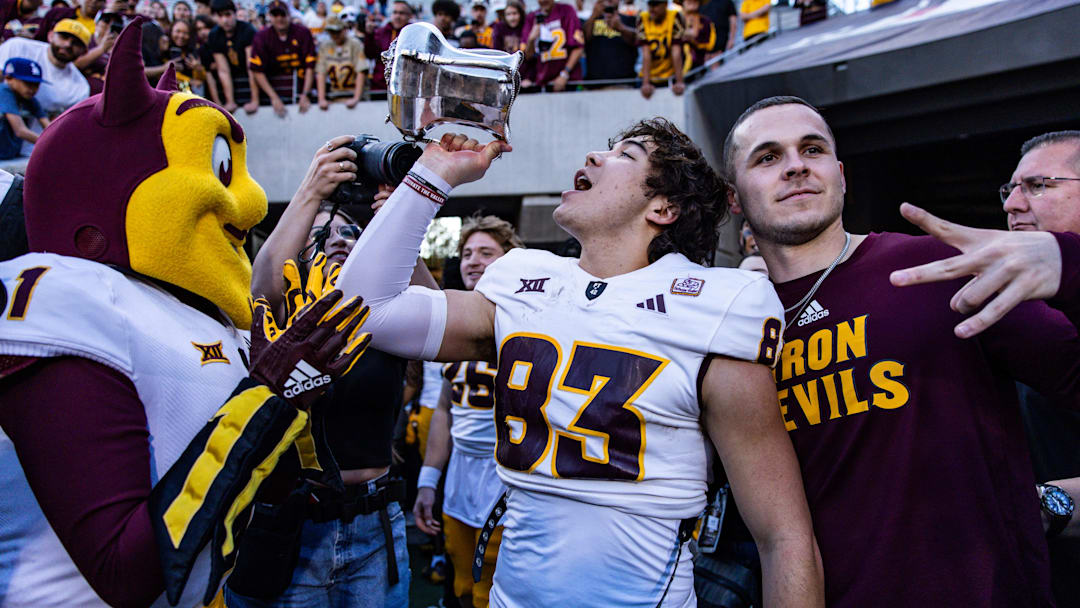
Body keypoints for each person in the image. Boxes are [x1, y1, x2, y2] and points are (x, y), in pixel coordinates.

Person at [336, 119, 824, 606]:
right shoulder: (523, 279)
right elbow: (363, 310)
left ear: (664, 207)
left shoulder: (716, 302)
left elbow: (783, 536)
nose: (594, 157)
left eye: (625, 155)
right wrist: (433, 173)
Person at [0, 22, 368, 607]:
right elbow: (125, 574)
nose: (247, 201)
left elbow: (242, 487)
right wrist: (268, 396)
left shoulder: (195, 312)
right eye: (221, 170)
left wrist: (299, 393)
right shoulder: (61, 298)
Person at [723, 95, 1080, 607]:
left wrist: (1068, 267)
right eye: (767, 157)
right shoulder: (732, 325)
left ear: (841, 175)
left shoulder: (929, 268)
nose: (796, 166)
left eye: (812, 149)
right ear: (734, 198)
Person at [234, 136, 440, 608]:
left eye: (352, 234)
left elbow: (436, 309)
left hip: (376, 520)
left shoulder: (378, 315)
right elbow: (261, 284)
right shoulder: (281, 321)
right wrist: (311, 192)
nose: (340, 241)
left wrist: (400, 226)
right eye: (323, 238)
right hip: (294, 523)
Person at [413, 215, 524, 608]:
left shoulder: (527, 316)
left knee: (496, 593)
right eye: (466, 253)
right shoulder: (458, 319)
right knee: (461, 587)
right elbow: (445, 407)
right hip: (461, 476)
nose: (472, 261)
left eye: (486, 253)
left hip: (510, 482)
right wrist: (429, 479)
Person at [1001, 130, 1080, 604]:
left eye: (1037, 185)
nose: (1012, 204)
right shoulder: (1005, 307)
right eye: (1009, 189)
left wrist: (1039, 505)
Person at [0, 18, 88, 116]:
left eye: (76, 43)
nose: (68, 45)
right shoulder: (18, 46)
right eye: (64, 37)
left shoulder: (80, 88)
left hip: (38, 129)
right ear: (50, 36)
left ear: (84, 52)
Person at [249, 0, 316, 116]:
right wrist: (274, 97)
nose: (279, 18)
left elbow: (310, 65)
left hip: (299, 88)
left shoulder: (302, 32)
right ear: (270, 16)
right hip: (273, 90)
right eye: (275, 15)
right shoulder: (262, 36)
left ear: (289, 14)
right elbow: (256, 70)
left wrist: (305, 94)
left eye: (282, 14)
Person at [208, 0, 259, 113]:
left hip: (251, 75)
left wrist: (254, 100)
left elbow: (251, 66)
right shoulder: (214, 35)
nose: (225, 20)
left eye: (228, 14)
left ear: (235, 13)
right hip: (233, 77)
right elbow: (223, 70)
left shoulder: (247, 30)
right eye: (220, 16)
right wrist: (230, 101)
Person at [520, 0, 581, 91]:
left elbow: (578, 47)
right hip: (543, 82)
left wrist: (564, 74)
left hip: (568, 81)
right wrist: (532, 38)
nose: (544, 1)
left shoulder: (567, 11)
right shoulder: (532, 17)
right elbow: (528, 56)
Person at [637, 0, 687, 99]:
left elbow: (676, 51)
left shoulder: (675, 16)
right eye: (649, 4)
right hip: (649, 74)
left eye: (655, 4)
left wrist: (679, 81)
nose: (652, 9)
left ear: (665, 4)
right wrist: (646, 83)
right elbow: (646, 53)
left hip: (669, 75)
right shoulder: (643, 17)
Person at [0, 57, 48, 159]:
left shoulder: (28, 98)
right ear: (9, 78)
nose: (32, 89)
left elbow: (50, 127)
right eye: (27, 83)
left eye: (36, 84)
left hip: (8, 156)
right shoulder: (3, 91)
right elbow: (20, 131)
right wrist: (49, 143)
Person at [315, 14, 366, 108]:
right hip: (334, 95)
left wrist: (356, 98)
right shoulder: (325, 46)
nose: (335, 35)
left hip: (352, 93)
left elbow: (361, 71)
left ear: (344, 30)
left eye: (337, 31)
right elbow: (320, 73)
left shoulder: (355, 44)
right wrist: (321, 99)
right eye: (332, 32)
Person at [582, 0, 636, 83]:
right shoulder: (589, 21)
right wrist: (593, 16)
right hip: (594, 84)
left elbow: (637, 41)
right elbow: (583, 40)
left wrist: (621, 28)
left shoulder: (630, 20)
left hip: (623, 82)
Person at [363, 0, 409, 91]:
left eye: (401, 13)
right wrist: (369, 35)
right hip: (381, 86)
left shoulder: (413, 33)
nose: (397, 16)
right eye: (395, 12)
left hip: (405, 88)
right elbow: (370, 54)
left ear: (409, 15)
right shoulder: (381, 32)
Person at [681, 0, 714, 70]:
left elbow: (709, 45)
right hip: (677, 67)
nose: (692, 1)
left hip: (699, 66)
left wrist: (693, 42)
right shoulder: (675, 20)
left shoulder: (705, 21)